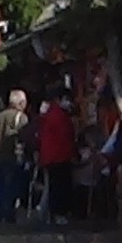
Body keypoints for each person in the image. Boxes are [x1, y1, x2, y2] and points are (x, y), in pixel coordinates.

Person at [0, 89, 33, 225]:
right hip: (13, 157)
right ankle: (9, 214)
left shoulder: (0, 116)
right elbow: (25, 138)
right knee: (11, 186)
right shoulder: (22, 118)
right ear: (21, 103)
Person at [36, 92, 79, 224]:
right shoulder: (59, 115)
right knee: (60, 186)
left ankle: (50, 214)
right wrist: (74, 153)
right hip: (59, 156)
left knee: (53, 186)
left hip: (51, 156)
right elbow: (65, 136)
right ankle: (58, 213)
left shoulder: (50, 114)